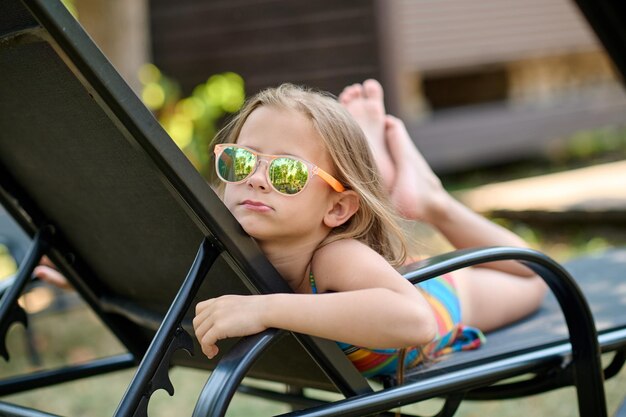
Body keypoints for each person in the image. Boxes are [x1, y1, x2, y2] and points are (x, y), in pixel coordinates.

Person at [192, 81, 548, 377]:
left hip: (440, 297)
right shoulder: (217, 247)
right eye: (241, 161)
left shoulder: (336, 258)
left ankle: (433, 202)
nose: (254, 179)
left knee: (537, 276)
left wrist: (265, 309)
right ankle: (384, 173)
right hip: (385, 282)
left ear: (337, 208)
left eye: (287, 172)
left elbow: (417, 322)